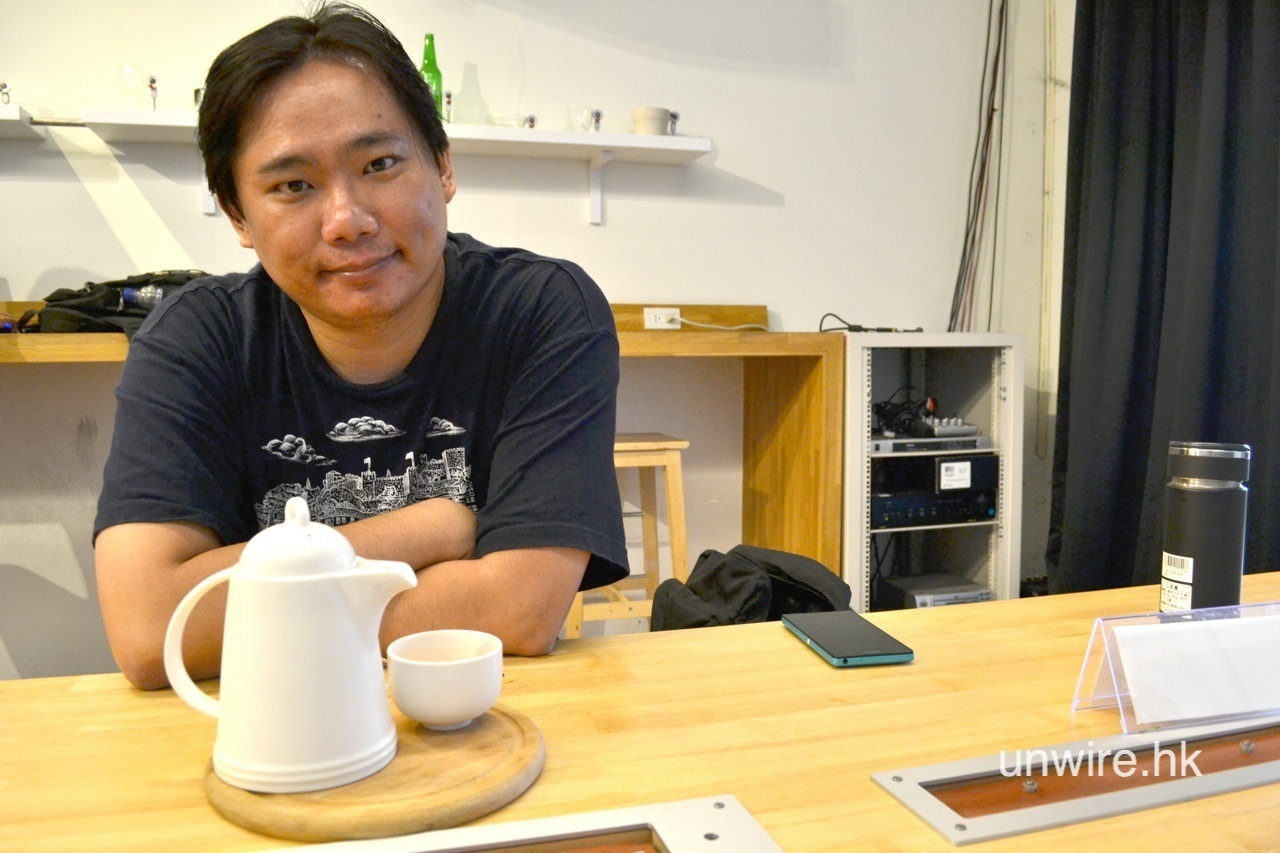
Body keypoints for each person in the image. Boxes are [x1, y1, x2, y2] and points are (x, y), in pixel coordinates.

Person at [94, 2, 628, 690]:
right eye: (293, 185)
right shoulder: (197, 338)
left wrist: (259, 605)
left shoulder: (539, 311)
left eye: (379, 164)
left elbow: (520, 610)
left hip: (483, 721)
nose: (347, 220)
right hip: (263, 727)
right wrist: (431, 528)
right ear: (237, 215)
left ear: (443, 167)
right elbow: (149, 630)